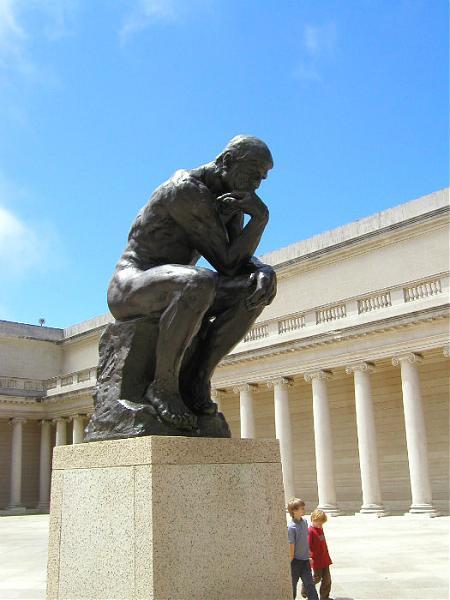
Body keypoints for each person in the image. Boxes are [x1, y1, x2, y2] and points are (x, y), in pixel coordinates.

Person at [106, 135, 276, 432]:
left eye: (261, 179)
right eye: (252, 174)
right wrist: (260, 219)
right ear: (226, 162)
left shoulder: (229, 198)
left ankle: (197, 379)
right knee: (198, 282)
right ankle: (163, 387)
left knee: (255, 289)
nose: (256, 185)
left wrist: (262, 269)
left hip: (179, 285)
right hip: (131, 286)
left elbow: (238, 258)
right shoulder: (185, 189)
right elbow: (226, 262)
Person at [287, 498, 319, 600]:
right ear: (294, 511)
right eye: (302, 508)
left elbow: (305, 540)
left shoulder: (304, 522)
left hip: (305, 561)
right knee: (292, 585)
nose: (304, 509)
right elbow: (291, 545)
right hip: (295, 562)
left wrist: (309, 555)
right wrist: (290, 560)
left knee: (310, 584)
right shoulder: (291, 528)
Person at [307, 509, 333, 600]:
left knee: (327, 580)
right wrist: (309, 557)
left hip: (324, 559)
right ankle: (306, 587)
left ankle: (324, 597)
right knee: (317, 578)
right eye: (318, 522)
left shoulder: (320, 529)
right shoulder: (310, 531)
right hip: (317, 560)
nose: (320, 525)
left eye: (321, 523)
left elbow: (323, 543)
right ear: (313, 520)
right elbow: (308, 546)